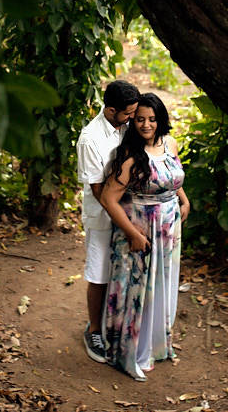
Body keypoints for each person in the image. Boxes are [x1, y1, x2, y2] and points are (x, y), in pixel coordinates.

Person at [100, 93, 189, 381]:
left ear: (160, 119)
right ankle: (131, 352)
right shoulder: (129, 155)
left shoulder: (170, 143)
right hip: (140, 229)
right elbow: (108, 198)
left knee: (161, 285)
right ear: (133, 121)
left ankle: (155, 345)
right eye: (140, 119)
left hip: (168, 227)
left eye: (152, 119)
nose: (146, 124)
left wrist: (184, 200)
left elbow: (173, 176)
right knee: (138, 289)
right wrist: (131, 234)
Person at [76, 79, 141, 363]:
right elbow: (98, 190)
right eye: (127, 114)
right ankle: (93, 330)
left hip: (127, 214)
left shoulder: (127, 127)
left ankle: (118, 325)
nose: (131, 119)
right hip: (103, 216)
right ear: (111, 109)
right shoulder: (90, 139)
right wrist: (124, 219)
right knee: (99, 274)